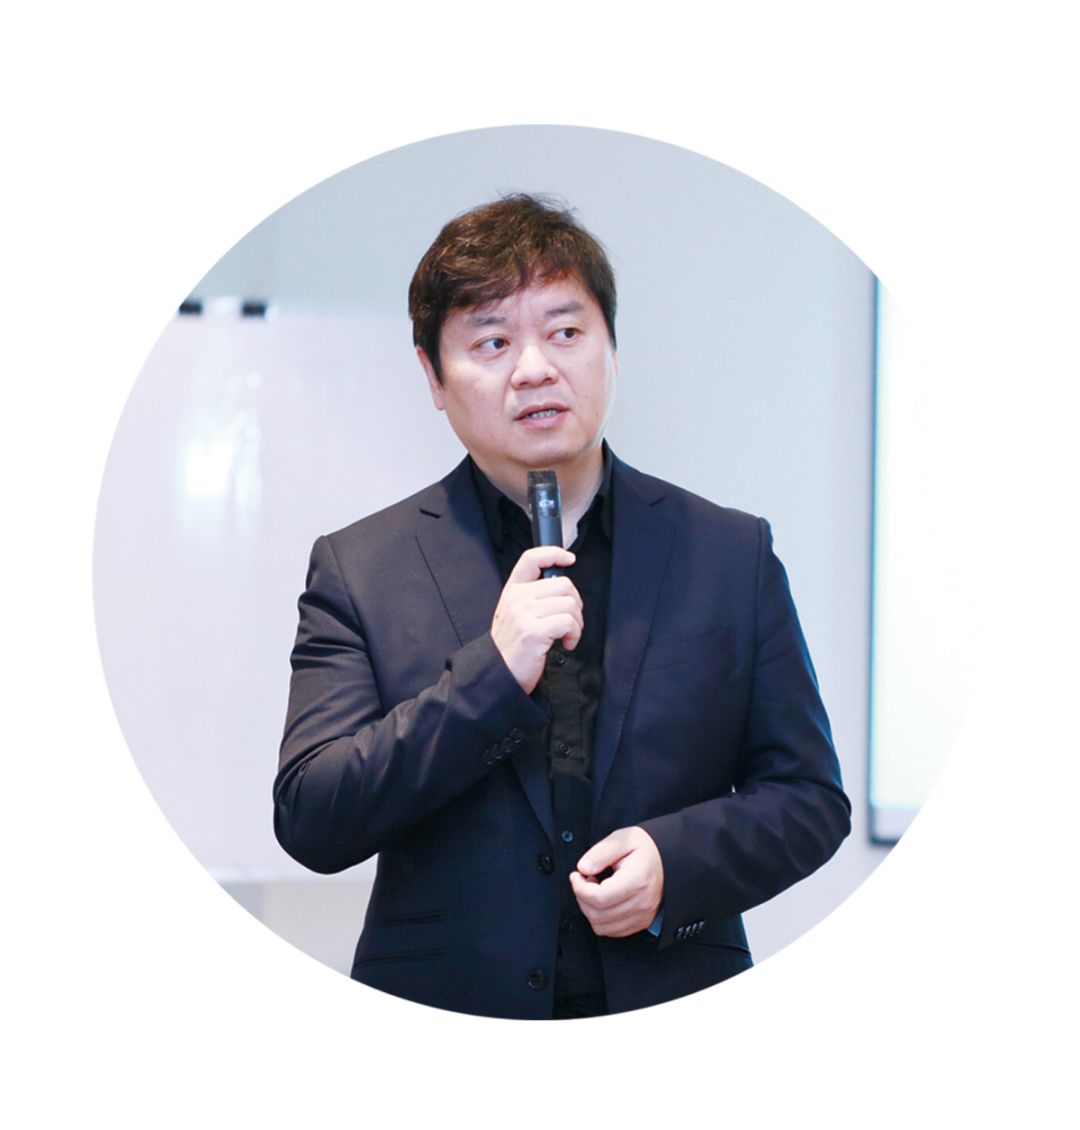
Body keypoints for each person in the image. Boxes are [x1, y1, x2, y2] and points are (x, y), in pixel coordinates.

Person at [273, 193, 851, 1019]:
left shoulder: (730, 552)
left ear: (612, 349)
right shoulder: (362, 566)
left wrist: (676, 861)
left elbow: (808, 797)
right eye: (492, 342)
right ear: (433, 376)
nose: (535, 368)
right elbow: (313, 816)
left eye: (566, 332)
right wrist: (490, 677)